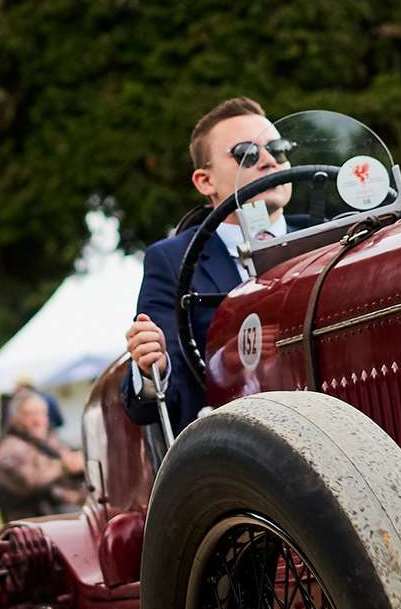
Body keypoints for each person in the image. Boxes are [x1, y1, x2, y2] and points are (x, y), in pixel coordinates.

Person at [122, 97, 297, 430]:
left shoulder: (338, 237)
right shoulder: (172, 262)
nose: (270, 160)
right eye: (246, 152)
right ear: (206, 182)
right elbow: (161, 400)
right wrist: (151, 368)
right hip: (245, 445)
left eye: (279, 148)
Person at [0, 391, 87, 516]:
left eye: (42, 413)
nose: (38, 420)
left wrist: (79, 462)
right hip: (38, 516)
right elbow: (29, 483)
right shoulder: (10, 448)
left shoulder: (48, 439)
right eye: (30, 414)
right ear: (15, 418)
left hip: (62, 507)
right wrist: (62, 466)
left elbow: (70, 461)